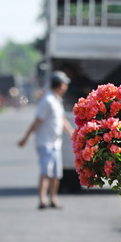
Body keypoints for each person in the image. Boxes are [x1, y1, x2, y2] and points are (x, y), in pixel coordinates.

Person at [18, 70, 75, 209]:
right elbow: (37, 120)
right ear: (60, 85)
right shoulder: (47, 101)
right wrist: (25, 137)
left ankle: (53, 199)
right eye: (64, 84)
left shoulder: (56, 100)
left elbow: (61, 120)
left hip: (56, 142)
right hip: (45, 142)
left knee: (56, 173)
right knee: (46, 171)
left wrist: (72, 133)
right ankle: (43, 199)